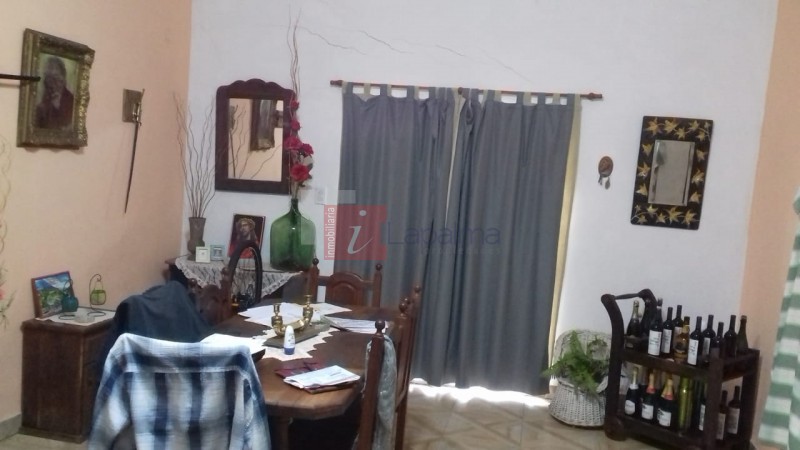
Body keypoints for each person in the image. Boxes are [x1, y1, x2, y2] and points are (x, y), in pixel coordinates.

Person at [35, 56, 74, 129]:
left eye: (56, 77)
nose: (53, 83)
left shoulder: (72, 101)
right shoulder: (43, 103)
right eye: (49, 77)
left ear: (63, 78)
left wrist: (56, 106)